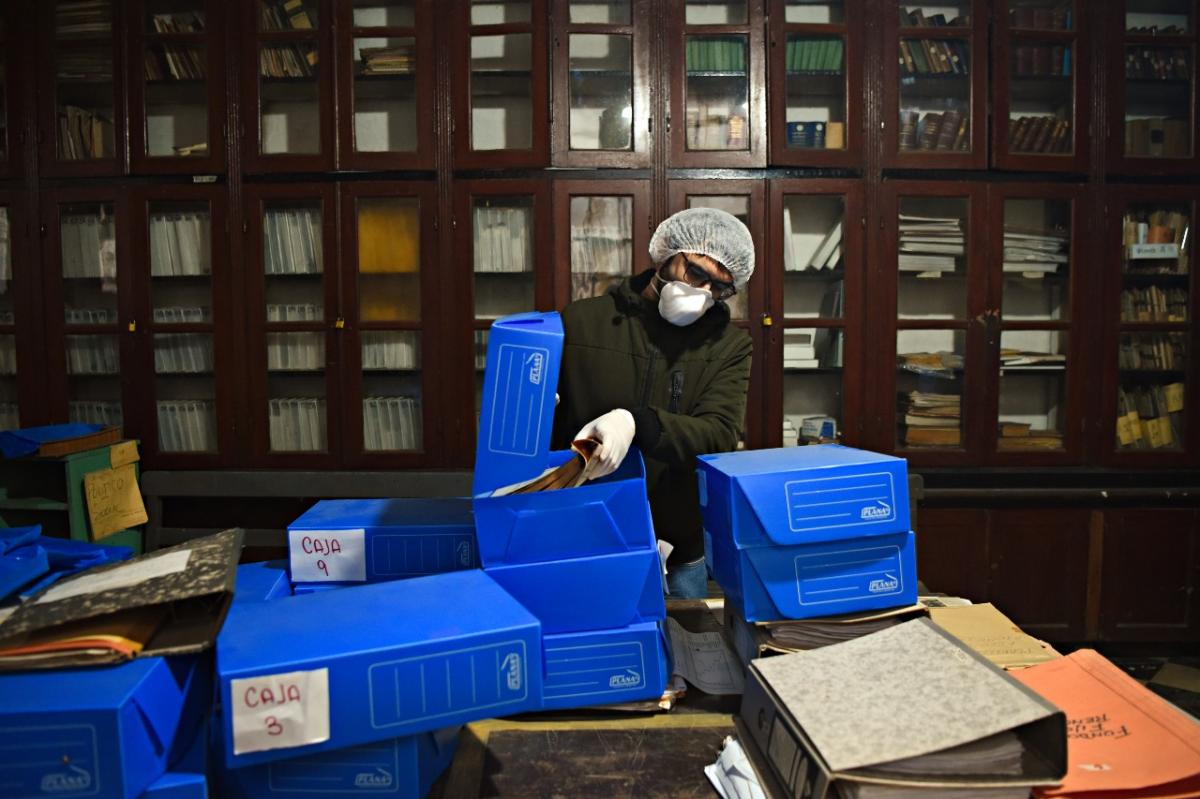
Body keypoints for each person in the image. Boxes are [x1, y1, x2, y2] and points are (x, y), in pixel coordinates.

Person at [552, 207, 754, 599]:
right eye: (696, 273)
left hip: (678, 546)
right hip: (585, 535)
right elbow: (538, 427)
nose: (705, 293)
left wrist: (637, 423)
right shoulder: (580, 323)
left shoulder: (728, 346)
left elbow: (719, 434)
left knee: (684, 652)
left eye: (720, 287)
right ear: (666, 255)